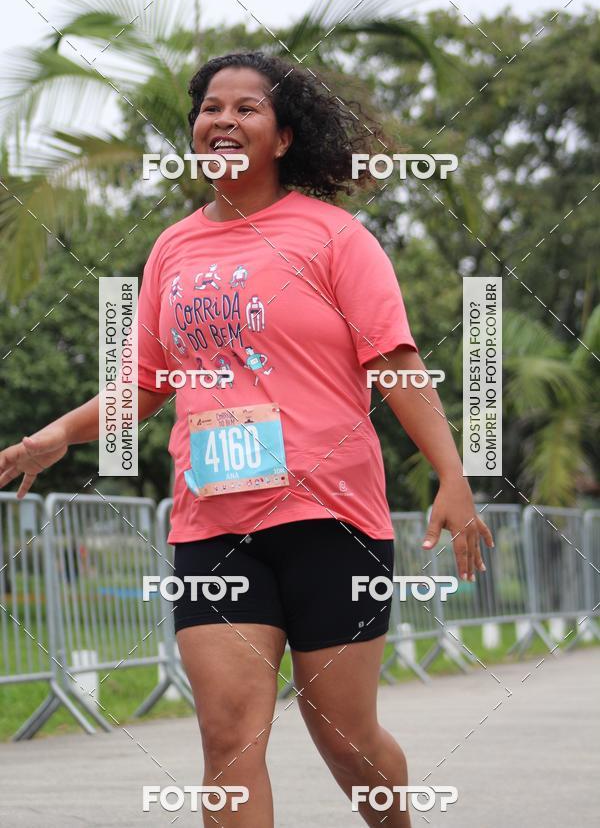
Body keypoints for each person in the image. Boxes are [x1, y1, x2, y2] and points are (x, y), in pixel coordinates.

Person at [0, 51, 493, 827]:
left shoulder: (334, 237)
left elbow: (395, 362)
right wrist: (54, 436)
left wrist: (452, 476)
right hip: (213, 526)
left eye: (246, 109)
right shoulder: (172, 249)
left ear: (285, 137)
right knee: (228, 740)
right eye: (210, 108)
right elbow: (147, 380)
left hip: (330, 520)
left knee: (345, 737)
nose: (222, 120)